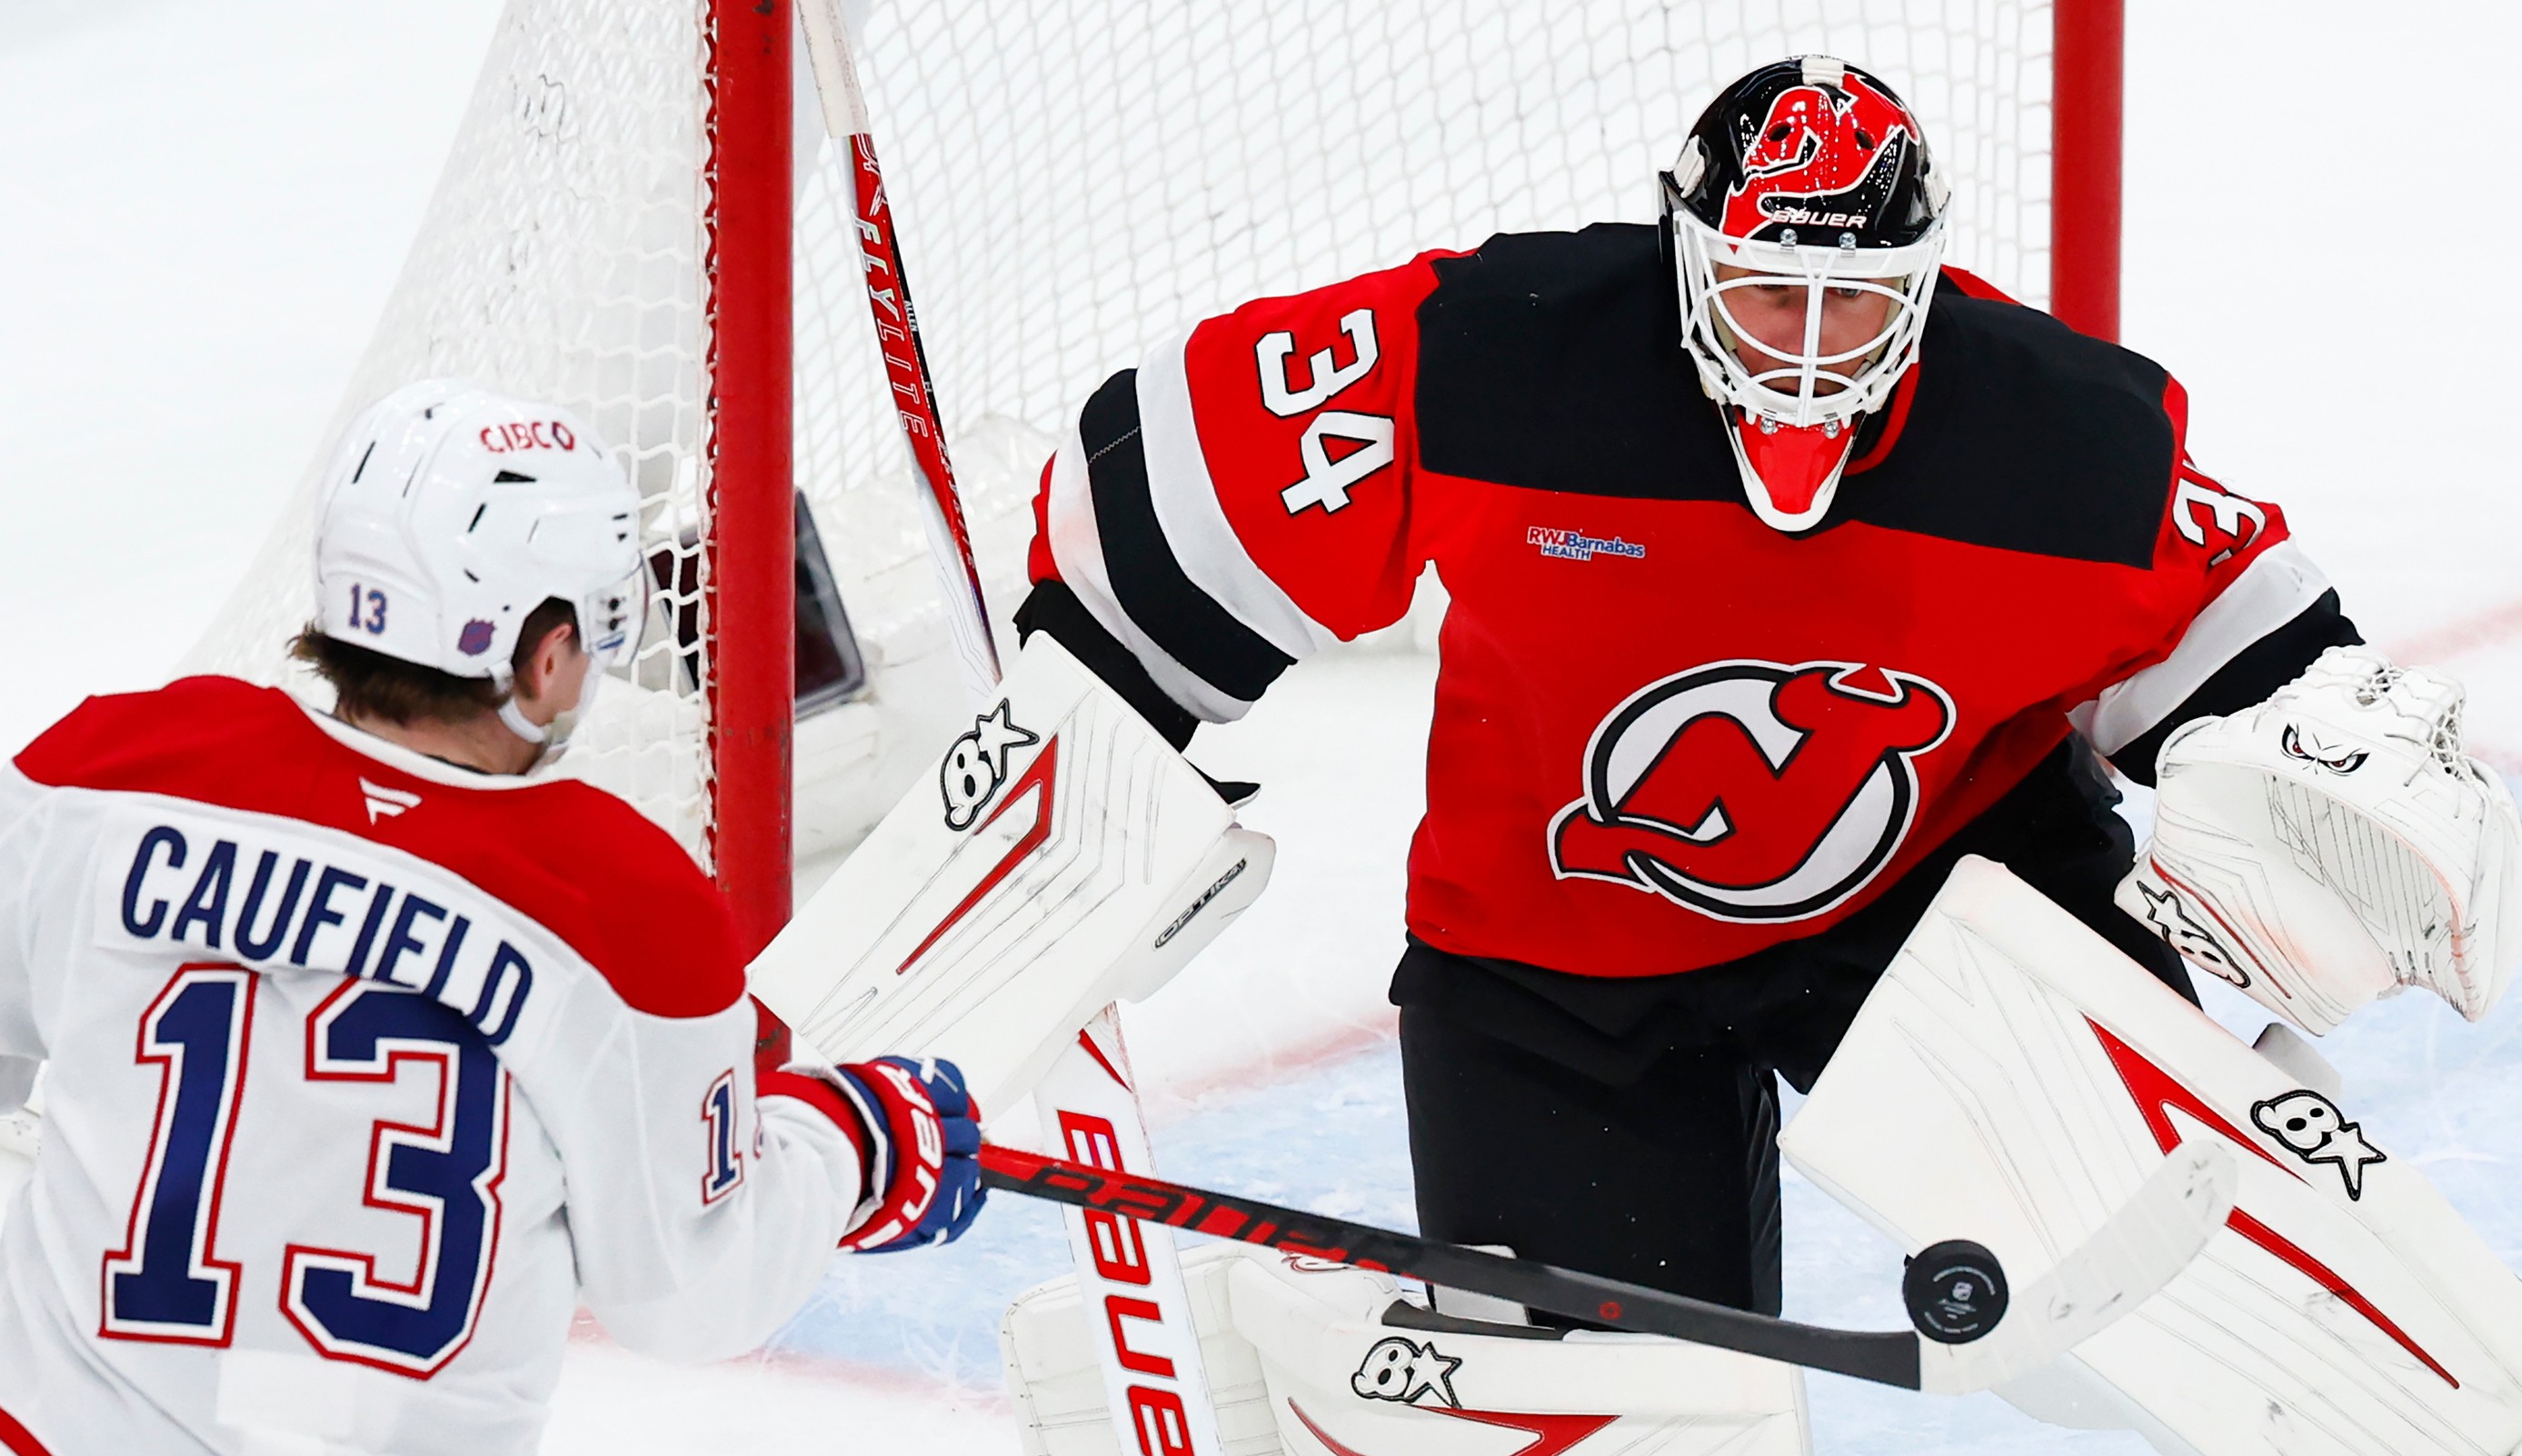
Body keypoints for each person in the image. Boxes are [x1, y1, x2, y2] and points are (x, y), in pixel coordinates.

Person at [1012, 54, 2406, 1318]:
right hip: (1552, 954)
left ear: (1920, 283)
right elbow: (1184, 476)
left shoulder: (2060, 442)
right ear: (1688, 259)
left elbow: (2285, 689)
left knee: (2189, 1287)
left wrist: (2342, 822)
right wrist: (1099, 717)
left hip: (1937, 907)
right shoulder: (1509, 353)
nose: (1806, 341)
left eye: (1853, 298)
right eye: (1764, 287)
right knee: (1598, 1435)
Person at [0, 379, 983, 1456]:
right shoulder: (630, 911)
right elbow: (695, 1291)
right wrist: (854, 1144)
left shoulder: (123, 770)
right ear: (544, 659)